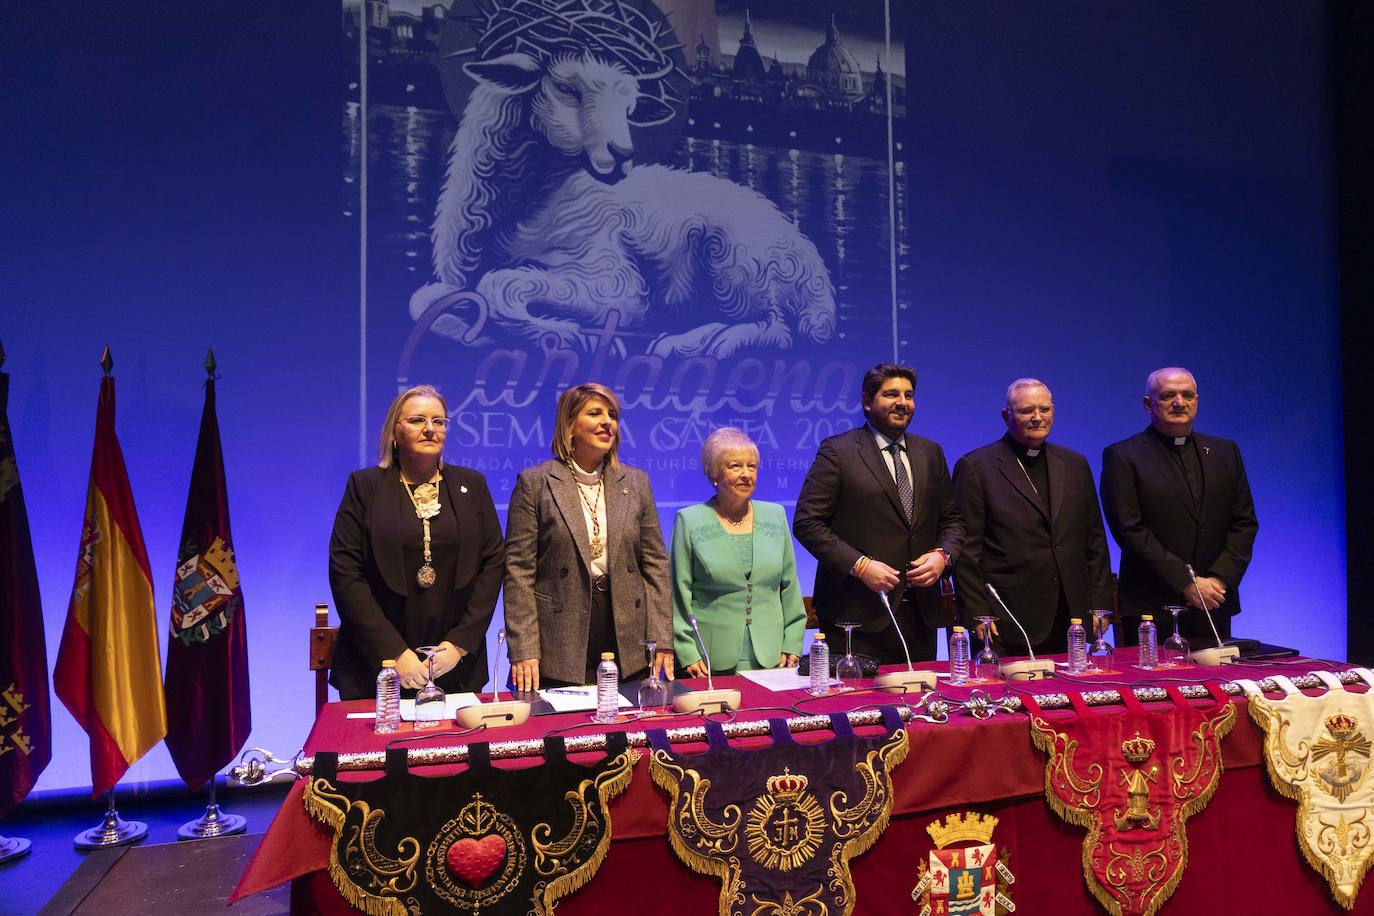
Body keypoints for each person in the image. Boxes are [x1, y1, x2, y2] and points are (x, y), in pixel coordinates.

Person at [328, 385, 504, 700]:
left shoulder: (472, 485)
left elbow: (492, 565)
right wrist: (394, 653)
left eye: (439, 421)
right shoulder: (364, 487)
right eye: (417, 420)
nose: (429, 429)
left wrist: (459, 644)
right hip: (375, 669)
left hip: (456, 667)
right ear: (394, 433)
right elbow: (346, 574)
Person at [504, 383, 674, 690]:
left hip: (627, 628)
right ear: (569, 425)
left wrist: (661, 638)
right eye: (595, 413)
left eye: (612, 414)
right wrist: (524, 649)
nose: (607, 422)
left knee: (629, 729)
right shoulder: (536, 483)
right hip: (560, 633)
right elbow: (518, 573)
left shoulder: (636, 482)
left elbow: (656, 565)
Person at [794, 363, 965, 664]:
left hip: (920, 616)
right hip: (857, 615)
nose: (902, 402)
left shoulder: (931, 452)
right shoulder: (838, 451)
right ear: (867, 401)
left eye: (909, 395)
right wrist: (859, 565)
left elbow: (952, 521)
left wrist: (942, 556)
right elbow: (808, 523)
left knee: (920, 707)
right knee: (859, 709)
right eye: (891, 394)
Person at [952, 378, 1113, 655]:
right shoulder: (976, 467)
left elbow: (1095, 540)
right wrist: (977, 609)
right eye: (1027, 411)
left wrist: (1100, 604)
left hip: (1070, 613)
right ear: (1007, 416)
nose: (1038, 418)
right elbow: (967, 550)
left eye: (1045, 410)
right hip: (1007, 614)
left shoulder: (1075, 463)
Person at [1101, 367, 1259, 644]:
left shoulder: (1225, 452)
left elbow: (1244, 523)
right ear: (1148, 404)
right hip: (1152, 605)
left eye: (1187, 395)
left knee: (1216, 687)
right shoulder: (1124, 456)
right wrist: (1186, 583)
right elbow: (1129, 530)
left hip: (1213, 602)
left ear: (1197, 400)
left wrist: (1218, 580)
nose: (1179, 402)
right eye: (1168, 395)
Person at [671, 428, 806, 676]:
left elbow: (789, 586)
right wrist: (686, 651)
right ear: (713, 473)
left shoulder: (775, 515)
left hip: (772, 656)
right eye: (735, 466)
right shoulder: (689, 521)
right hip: (708, 660)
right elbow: (679, 594)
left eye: (752, 467)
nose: (746, 474)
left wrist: (793, 642)